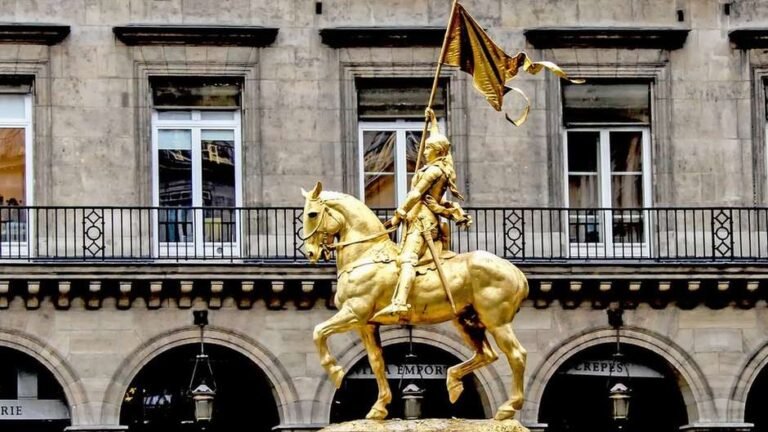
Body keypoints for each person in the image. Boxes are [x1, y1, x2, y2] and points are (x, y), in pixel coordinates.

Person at [373, 108, 471, 319]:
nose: (424, 151)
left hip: (423, 221)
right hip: (418, 217)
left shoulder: (434, 171)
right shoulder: (441, 166)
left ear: (436, 151)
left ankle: (400, 302)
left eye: (428, 148)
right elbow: (445, 149)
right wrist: (434, 122)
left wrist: (399, 212)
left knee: (407, 259)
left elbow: (416, 193)